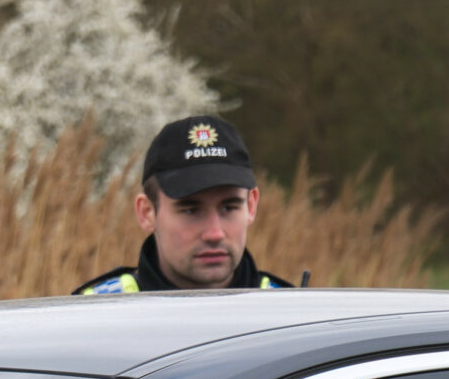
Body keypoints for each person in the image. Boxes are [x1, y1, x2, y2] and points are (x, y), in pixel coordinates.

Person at [75, 115, 295, 294]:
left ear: (251, 206)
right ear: (147, 213)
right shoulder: (94, 315)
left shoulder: (291, 314)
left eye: (229, 208)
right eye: (191, 211)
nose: (214, 234)